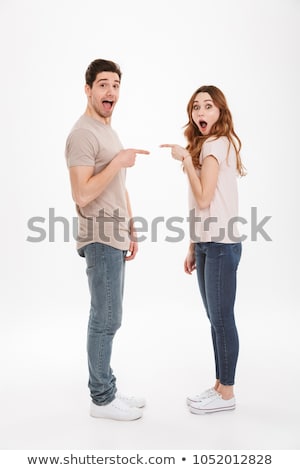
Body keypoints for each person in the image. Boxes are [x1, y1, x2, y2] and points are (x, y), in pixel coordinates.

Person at [65, 59, 149, 421]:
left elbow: (117, 187)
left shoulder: (107, 131)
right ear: (88, 90)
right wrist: (118, 163)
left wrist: (130, 226)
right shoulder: (83, 134)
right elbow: (81, 195)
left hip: (114, 234)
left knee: (110, 316)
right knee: (105, 318)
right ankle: (101, 399)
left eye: (115, 84)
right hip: (98, 236)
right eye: (102, 84)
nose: (110, 91)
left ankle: (108, 388)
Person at [161, 85, 245, 414]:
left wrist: (185, 160)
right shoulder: (207, 146)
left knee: (222, 319)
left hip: (222, 244)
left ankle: (228, 393)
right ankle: (220, 385)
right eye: (196, 107)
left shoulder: (215, 145)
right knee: (215, 319)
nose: (200, 113)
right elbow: (201, 210)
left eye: (208, 106)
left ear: (220, 112)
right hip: (209, 242)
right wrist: (193, 246)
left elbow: (204, 198)